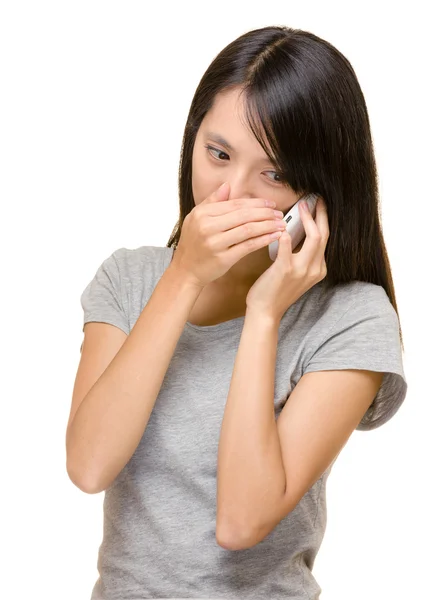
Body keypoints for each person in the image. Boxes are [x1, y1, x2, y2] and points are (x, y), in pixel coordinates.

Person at [66, 25, 408, 599]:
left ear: (320, 191)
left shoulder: (352, 318)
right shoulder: (129, 280)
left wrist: (264, 315)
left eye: (273, 173)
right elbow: (89, 466)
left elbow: (241, 521)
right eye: (218, 154)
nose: (231, 193)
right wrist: (182, 278)